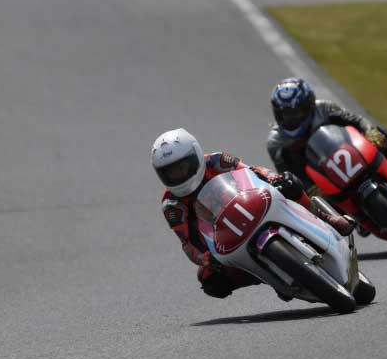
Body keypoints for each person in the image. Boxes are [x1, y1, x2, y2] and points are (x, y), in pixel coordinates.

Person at [152, 128, 355, 299]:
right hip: (226, 240)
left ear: (195, 155)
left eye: (182, 167)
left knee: (289, 183)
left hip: (253, 205)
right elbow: (188, 243)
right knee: (210, 280)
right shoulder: (172, 205)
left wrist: (273, 179)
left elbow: (253, 171)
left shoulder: (217, 161)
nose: (179, 175)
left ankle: (326, 218)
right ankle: (271, 275)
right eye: (171, 172)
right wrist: (205, 258)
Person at [267, 77, 387, 194]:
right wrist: (308, 190)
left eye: (297, 112)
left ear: (310, 105)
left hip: (350, 153)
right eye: (285, 114)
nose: (291, 119)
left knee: (380, 135)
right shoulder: (275, 142)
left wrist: (369, 133)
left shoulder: (324, 108)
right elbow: (289, 175)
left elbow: (357, 121)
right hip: (321, 181)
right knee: (310, 198)